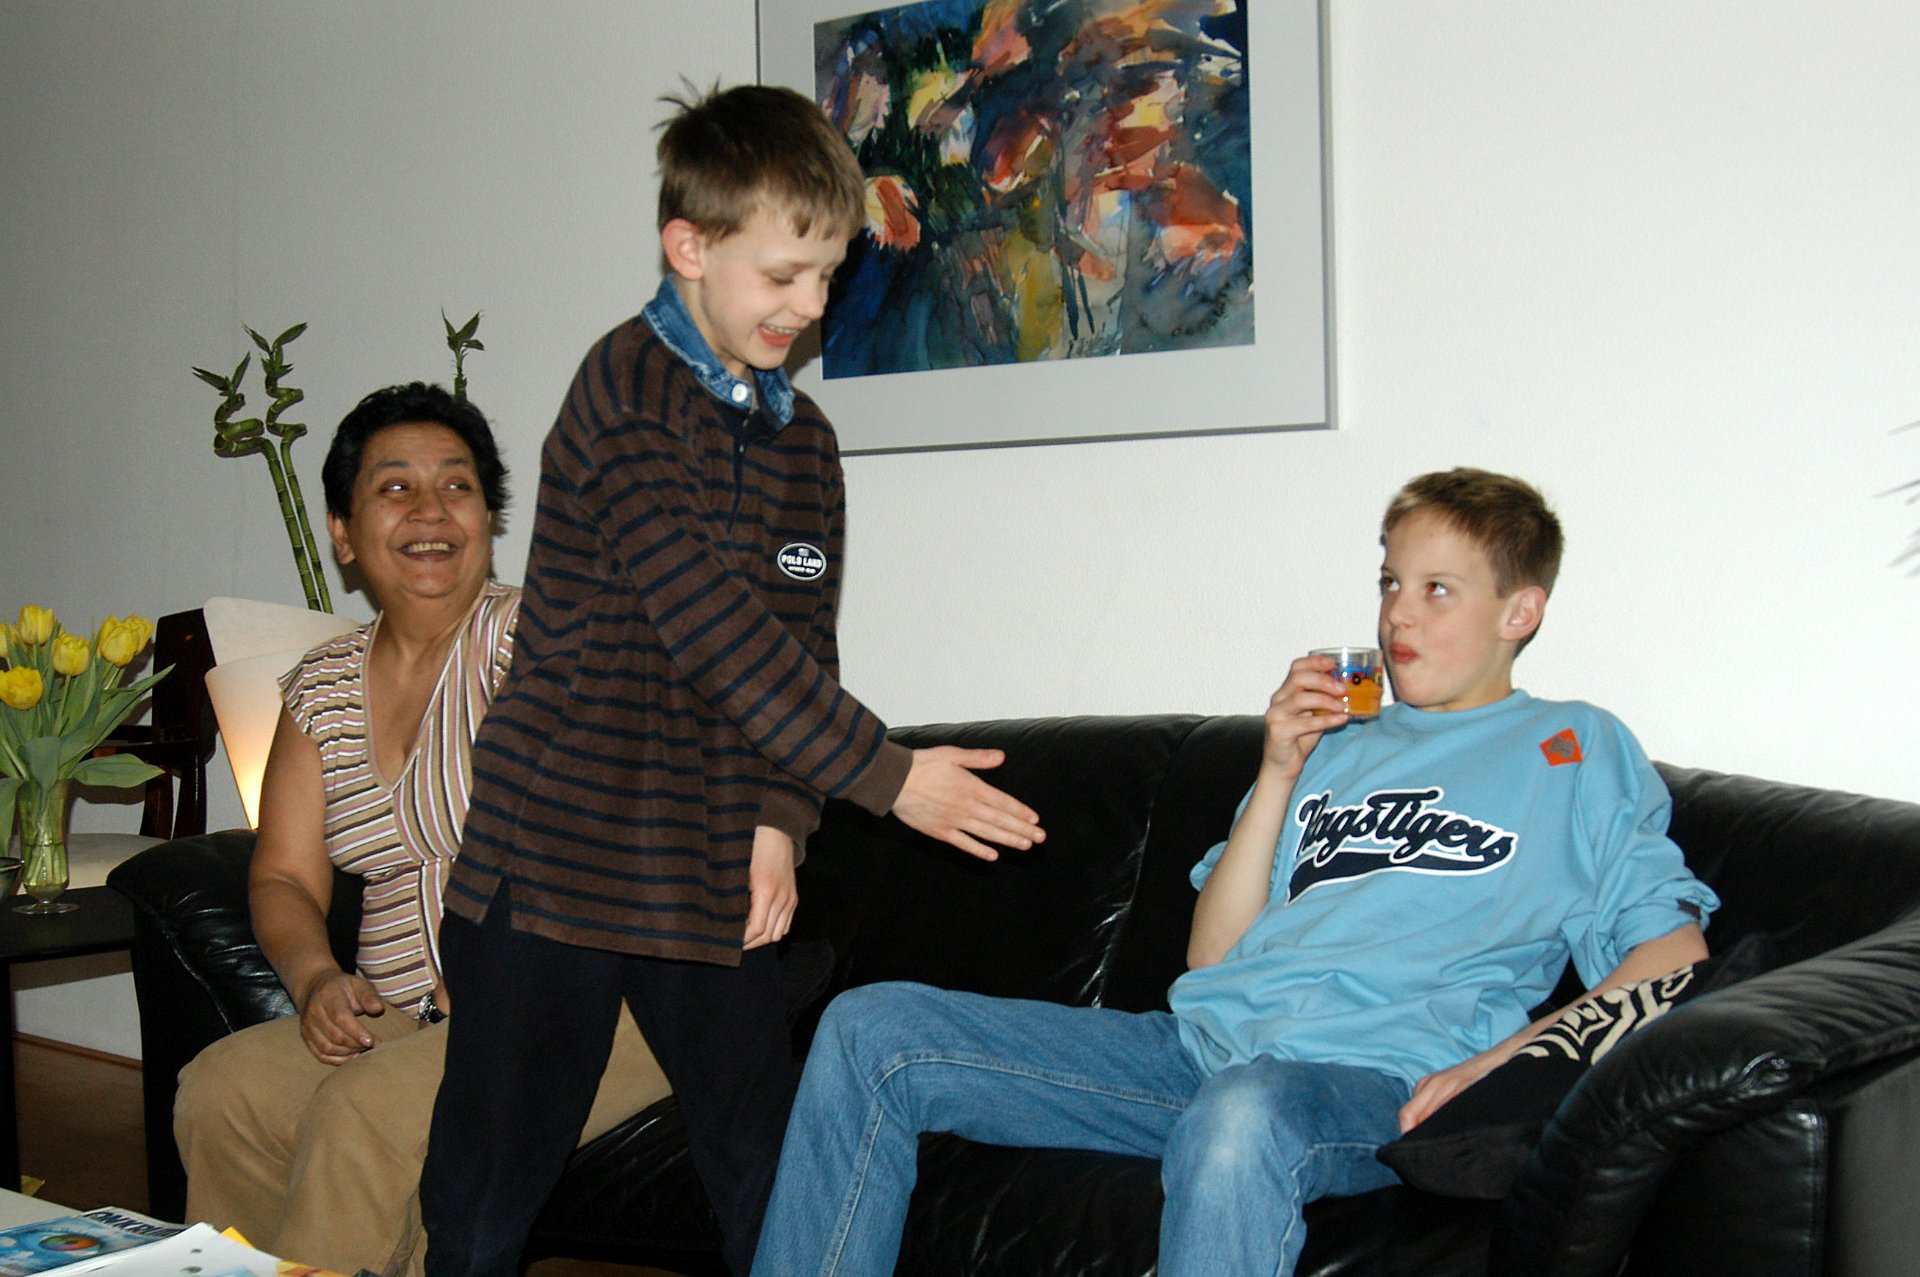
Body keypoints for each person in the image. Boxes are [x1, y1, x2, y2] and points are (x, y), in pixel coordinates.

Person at [748, 468, 1721, 1277]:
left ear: (1521, 609)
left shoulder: (1574, 748)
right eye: (1390, 581)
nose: (1398, 613)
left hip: (1372, 1079)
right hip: (1195, 1050)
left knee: (1244, 1109)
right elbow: (1211, 956)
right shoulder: (1339, 739)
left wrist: (1497, 1065)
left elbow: (1672, 956)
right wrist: (1279, 765)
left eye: (1437, 589)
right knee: (872, 1029)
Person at [417, 85, 1045, 1277]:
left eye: (828, 277)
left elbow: (801, 646)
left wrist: (779, 820)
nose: (809, 308)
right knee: (488, 1202)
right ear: (690, 247)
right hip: (553, 856)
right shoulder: (622, 390)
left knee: (774, 1169)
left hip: (708, 857)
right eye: (784, 275)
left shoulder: (808, 443)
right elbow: (708, 625)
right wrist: (890, 777)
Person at [173, 383, 670, 1277]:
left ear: (488, 517)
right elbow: (283, 877)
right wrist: (316, 978)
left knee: (363, 1111)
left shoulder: (547, 639)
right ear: (343, 531)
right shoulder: (321, 686)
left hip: (596, 1008)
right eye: (395, 487)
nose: (431, 510)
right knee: (223, 1088)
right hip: (412, 1013)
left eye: (457, 485)